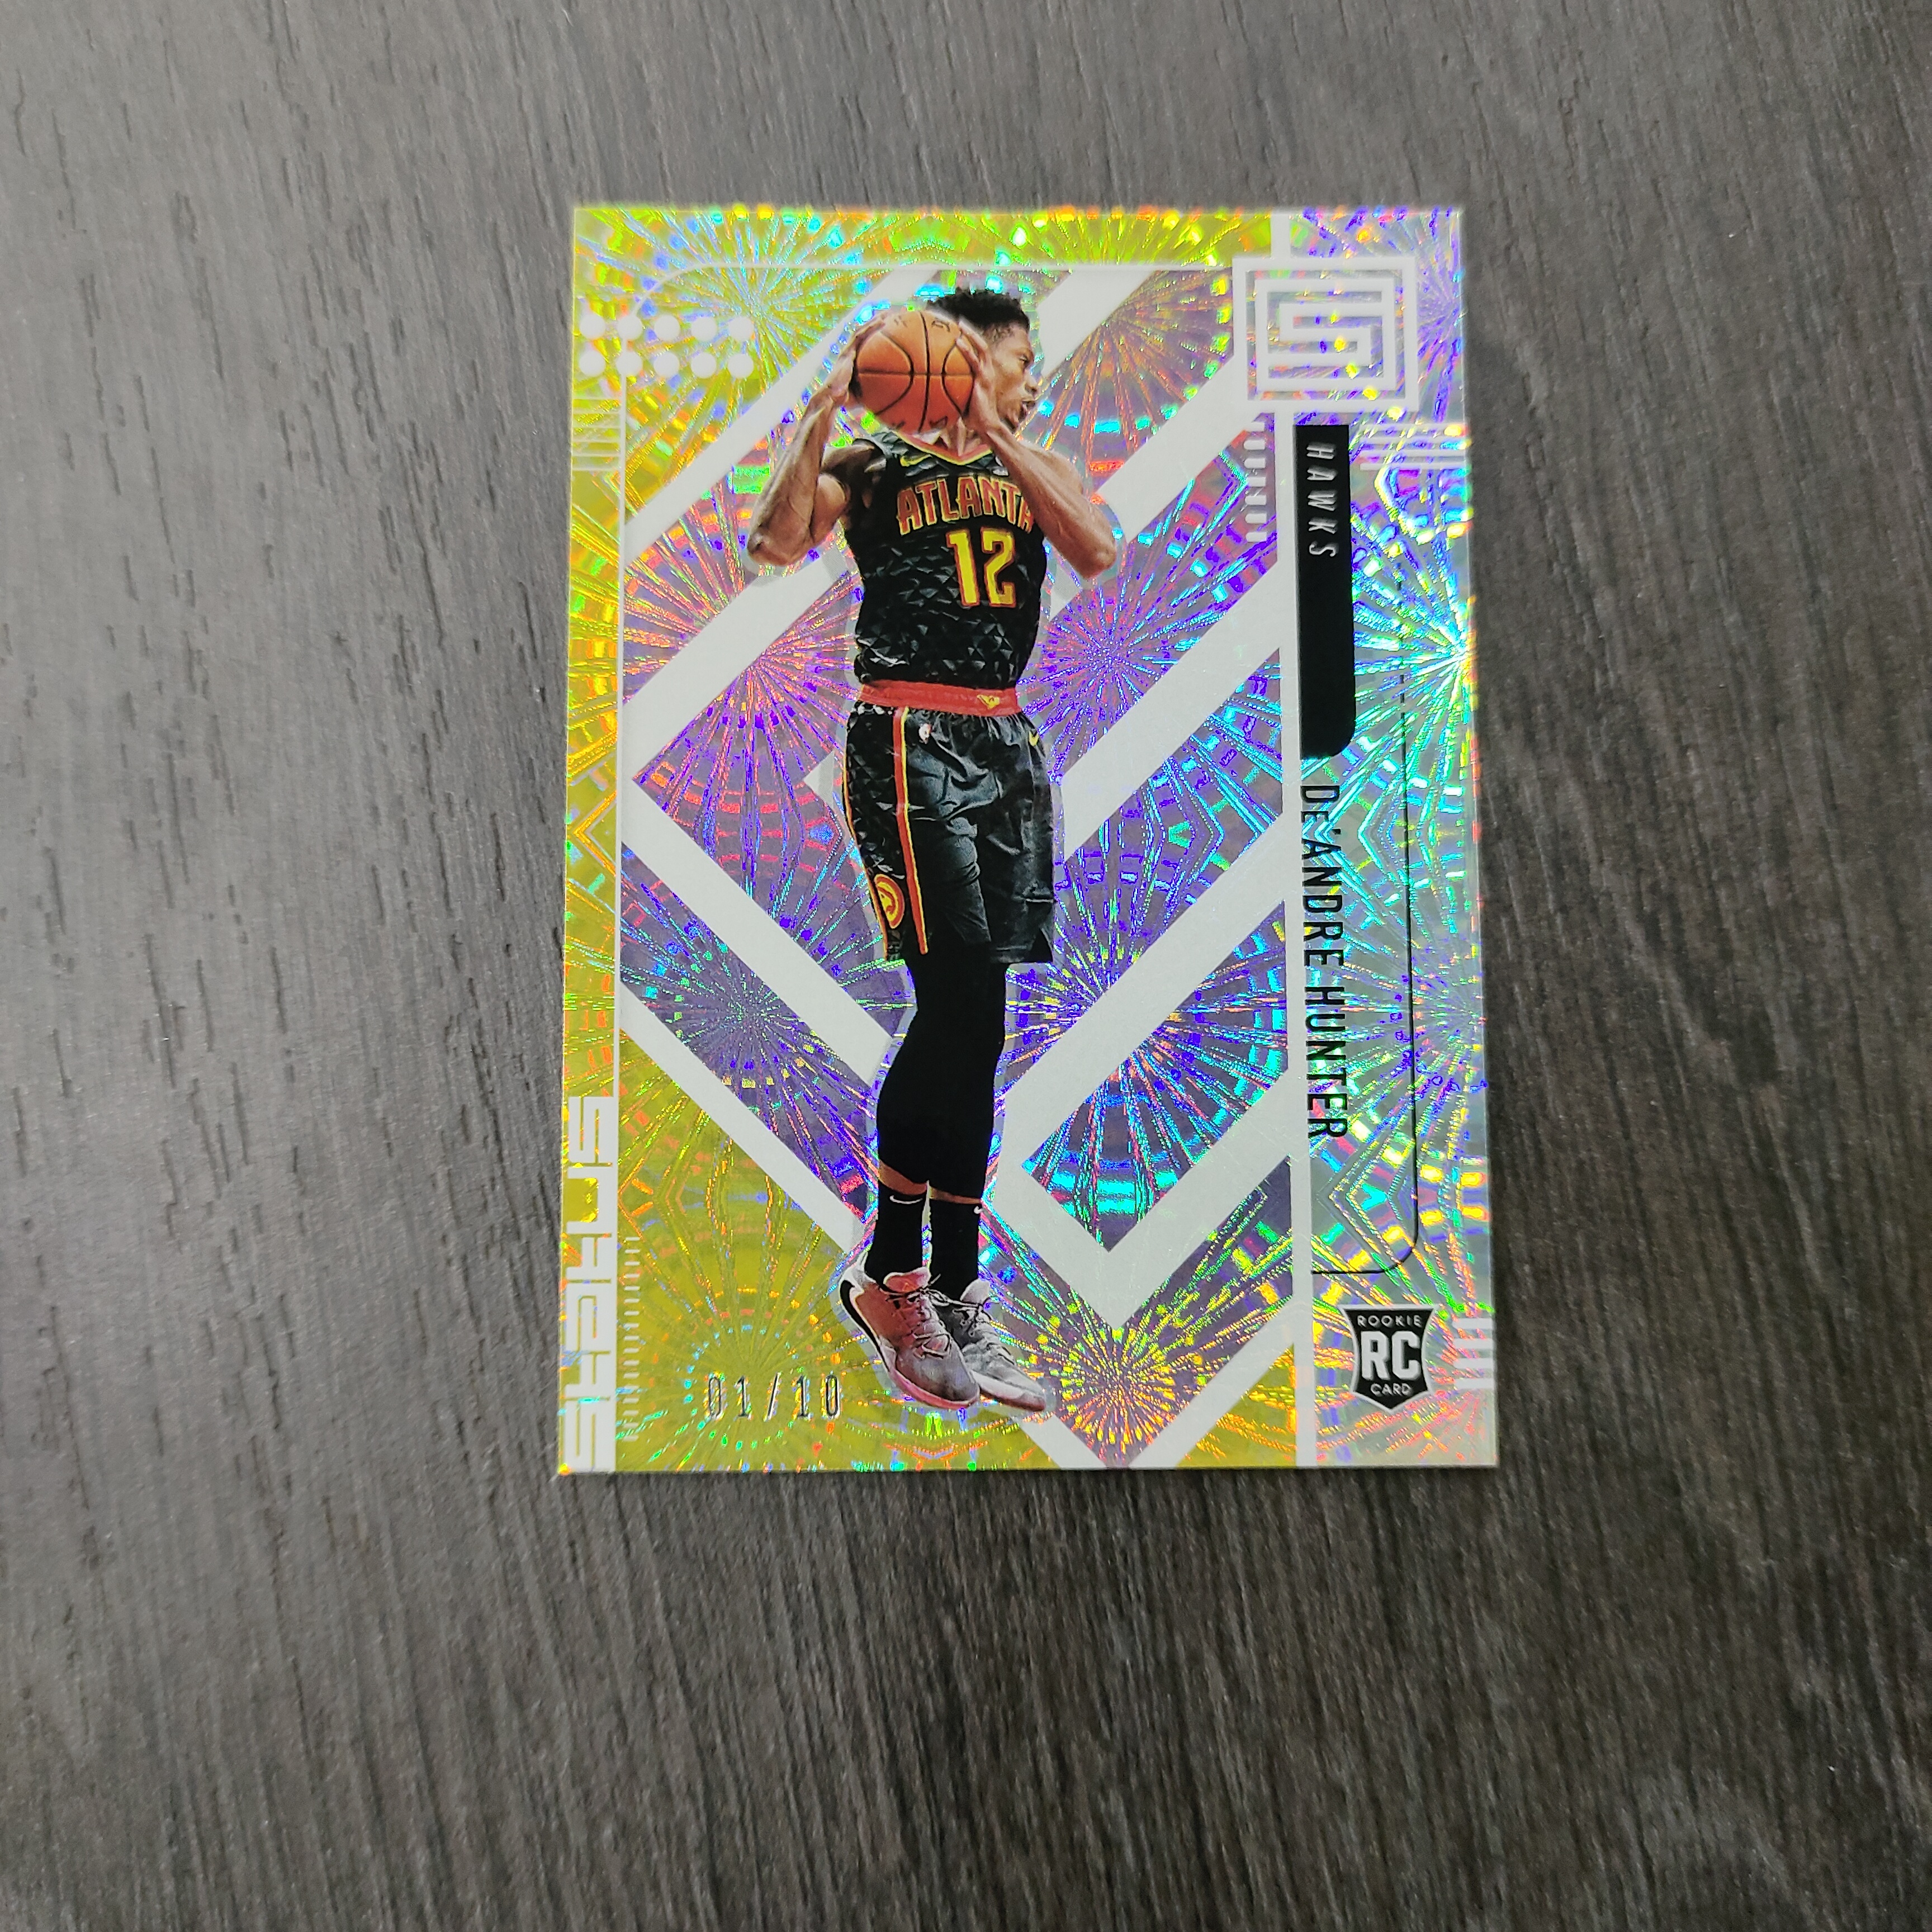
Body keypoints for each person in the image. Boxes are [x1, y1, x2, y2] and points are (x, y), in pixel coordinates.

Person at [746, 288, 1117, 1414]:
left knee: (981, 1021)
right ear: (959, 357)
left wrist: (997, 431)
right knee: (954, 1006)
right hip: (908, 735)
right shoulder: (873, 469)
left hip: (1005, 739)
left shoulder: (1027, 470)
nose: (1036, 380)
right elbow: (776, 539)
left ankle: (942, 1286)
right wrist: (822, 410)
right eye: (1020, 362)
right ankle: (901, 1278)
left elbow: (1097, 547)